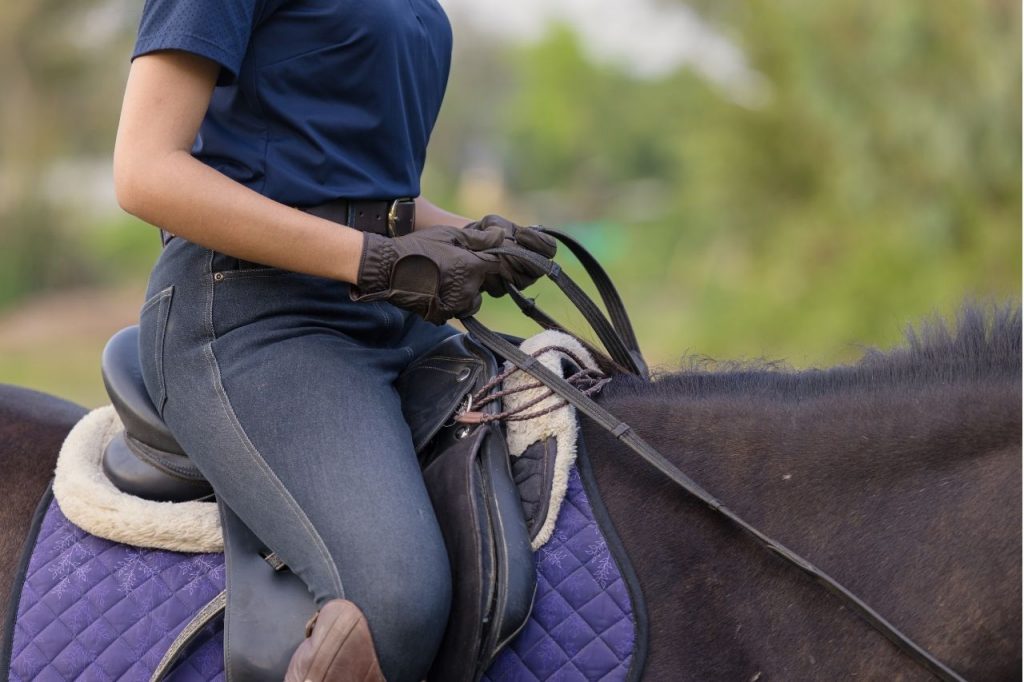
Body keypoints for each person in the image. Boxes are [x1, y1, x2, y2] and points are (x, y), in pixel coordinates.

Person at [111, 0, 556, 680]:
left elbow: (363, 198)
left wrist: (474, 241)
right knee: (394, 599)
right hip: (250, 316)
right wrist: (374, 262)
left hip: (390, 312)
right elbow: (145, 171)